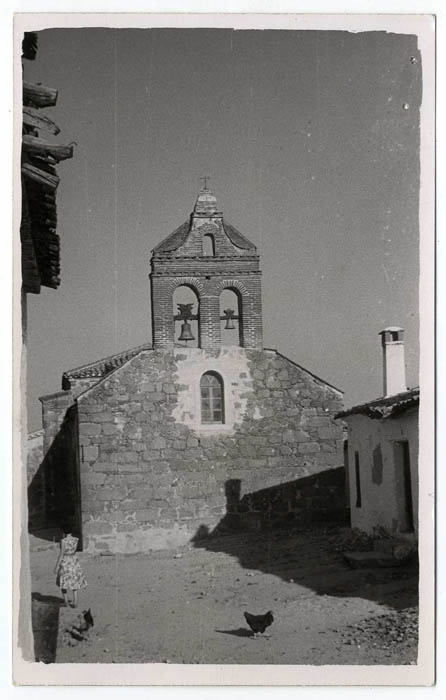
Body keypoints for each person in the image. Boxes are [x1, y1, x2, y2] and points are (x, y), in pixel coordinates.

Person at [54, 525, 87, 607]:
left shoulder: (63, 541)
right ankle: (75, 601)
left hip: (66, 561)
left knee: (63, 582)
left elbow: (61, 554)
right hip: (74, 560)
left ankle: (66, 602)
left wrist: (56, 566)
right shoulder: (76, 539)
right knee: (74, 581)